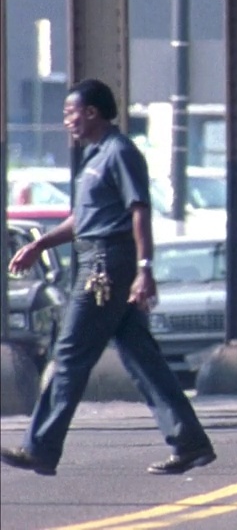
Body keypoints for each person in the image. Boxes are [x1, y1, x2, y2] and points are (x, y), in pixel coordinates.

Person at [2, 79, 216, 476]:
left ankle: (41, 447)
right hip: (97, 256)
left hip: (105, 265)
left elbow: (139, 211)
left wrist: (145, 269)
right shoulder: (93, 158)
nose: (67, 121)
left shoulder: (120, 153)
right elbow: (81, 220)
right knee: (143, 359)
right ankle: (190, 442)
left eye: (71, 113)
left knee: (70, 354)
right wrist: (39, 245)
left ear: (92, 113)